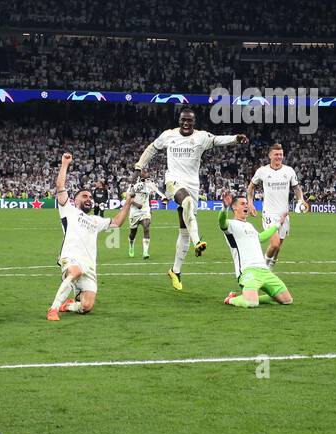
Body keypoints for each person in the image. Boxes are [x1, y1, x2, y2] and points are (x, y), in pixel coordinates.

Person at [134, 108, 247, 290]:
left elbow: (217, 140)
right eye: (183, 120)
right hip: (173, 181)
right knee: (186, 202)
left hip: (192, 185)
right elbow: (151, 149)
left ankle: (175, 271)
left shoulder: (201, 137)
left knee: (183, 232)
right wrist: (139, 166)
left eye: (189, 121)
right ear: (179, 120)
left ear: (194, 122)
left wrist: (235, 138)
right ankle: (198, 242)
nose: (186, 124)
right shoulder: (168, 135)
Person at [47, 153, 138, 321]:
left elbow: (117, 223)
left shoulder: (96, 220)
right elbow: (60, 185)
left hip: (89, 265)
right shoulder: (68, 210)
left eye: (90, 197)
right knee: (75, 271)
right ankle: (53, 309)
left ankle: (67, 305)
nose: (89, 198)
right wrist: (65, 164)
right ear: (75, 200)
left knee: (86, 306)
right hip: (71, 257)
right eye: (84, 196)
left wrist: (128, 203)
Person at [219, 190, 294, 308]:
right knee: (251, 303)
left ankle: (252, 297)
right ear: (234, 208)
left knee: (287, 300)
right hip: (248, 271)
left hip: (264, 271)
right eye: (242, 203)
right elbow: (221, 222)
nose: (246, 206)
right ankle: (231, 300)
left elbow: (260, 237)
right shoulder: (231, 225)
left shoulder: (249, 226)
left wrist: (279, 223)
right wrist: (224, 207)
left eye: (246, 203)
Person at [246, 143, 308, 268]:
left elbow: (296, 188)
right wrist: (250, 202)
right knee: (274, 244)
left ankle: (271, 265)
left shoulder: (289, 171)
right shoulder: (262, 171)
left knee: (278, 246)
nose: (279, 157)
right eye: (276, 154)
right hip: (269, 213)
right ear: (270, 155)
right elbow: (251, 187)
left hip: (284, 214)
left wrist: (301, 200)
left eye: (281, 154)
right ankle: (262, 268)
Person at [124, 169, 164, 259]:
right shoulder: (133, 186)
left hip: (145, 211)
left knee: (146, 227)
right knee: (132, 233)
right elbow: (128, 199)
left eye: (146, 172)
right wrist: (136, 204)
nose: (146, 174)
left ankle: (145, 252)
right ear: (140, 175)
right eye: (144, 172)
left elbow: (148, 197)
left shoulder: (149, 186)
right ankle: (131, 246)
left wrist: (150, 209)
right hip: (134, 212)